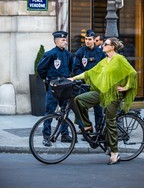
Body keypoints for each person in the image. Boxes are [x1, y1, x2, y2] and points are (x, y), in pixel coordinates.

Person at [69, 37, 137, 165]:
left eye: (106, 44)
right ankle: (88, 125)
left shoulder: (119, 59)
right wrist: (73, 79)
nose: (103, 46)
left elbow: (132, 72)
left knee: (110, 121)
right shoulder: (105, 61)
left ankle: (114, 153)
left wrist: (126, 87)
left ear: (112, 47)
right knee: (79, 100)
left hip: (114, 95)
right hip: (102, 92)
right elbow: (89, 73)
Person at [37, 30, 74, 146]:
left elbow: (70, 69)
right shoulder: (50, 54)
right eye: (63, 40)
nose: (65, 42)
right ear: (56, 41)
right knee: (50, 111)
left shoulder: (68, 55)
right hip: (53, 86)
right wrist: (47, 80)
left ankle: (65, 134)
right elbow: (40, 68)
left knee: (64, 111)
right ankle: (46, 136)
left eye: (66, 40)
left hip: (65, 86)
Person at [73, 29, 106, 132]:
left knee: (98, 110)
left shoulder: (100, 52)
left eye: (89, 39)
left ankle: (99, 130)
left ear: (94, 40)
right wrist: (85, 76)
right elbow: (76, 69)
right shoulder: (80, 52)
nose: (87, 41)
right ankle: (85, 128)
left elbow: (105, 67)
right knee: (82, 107)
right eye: (86, 39)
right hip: (84, 84)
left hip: (97, 85)